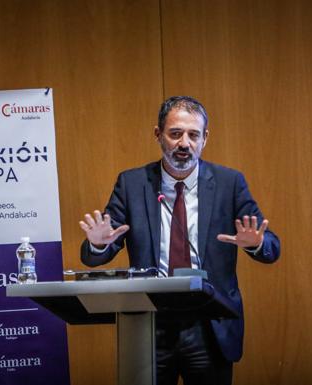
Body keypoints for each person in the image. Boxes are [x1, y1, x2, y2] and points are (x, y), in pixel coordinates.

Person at [79, 96, 280, 385]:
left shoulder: (229, 183)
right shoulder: (132, 184)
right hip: (150, 323)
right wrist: (99, 243)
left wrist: (255, 243)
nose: (184, 143)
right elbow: (96, 253)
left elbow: (272, 248)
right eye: (175, 134)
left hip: (210, 325)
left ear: (205, 138)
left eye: (193, 135)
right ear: (158, 134)